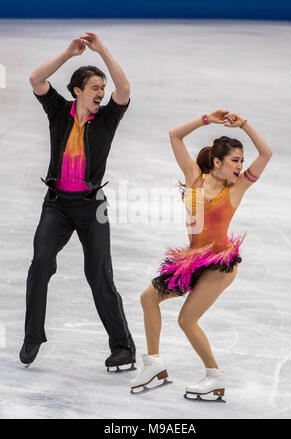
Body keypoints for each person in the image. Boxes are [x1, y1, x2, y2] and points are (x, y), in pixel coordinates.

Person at [130, 110, 272, 398]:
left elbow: (266, 154)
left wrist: (244, 125)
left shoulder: (237, 187)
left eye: (242, 160)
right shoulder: (194, 177)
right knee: (149, 298)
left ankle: (214, 376)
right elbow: (175, 135)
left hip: (219, 265)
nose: (240, 166)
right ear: (217, 162)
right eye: (235, 160)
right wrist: (207, 119)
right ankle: (154, 364)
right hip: (193, 260)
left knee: (186, 320)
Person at [19, 32, 136, 372]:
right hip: (56, 204)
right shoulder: (58, 110)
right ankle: (32, 336)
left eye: (102, 87)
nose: (101, 93)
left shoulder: (107, 119)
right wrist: (69, 54)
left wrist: (103, 51)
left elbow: (124, 91)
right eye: (95, 88)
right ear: (77, 91)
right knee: (41, 263)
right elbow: (35, 78)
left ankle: (123, 348)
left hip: (90, 205)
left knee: (99, 274)